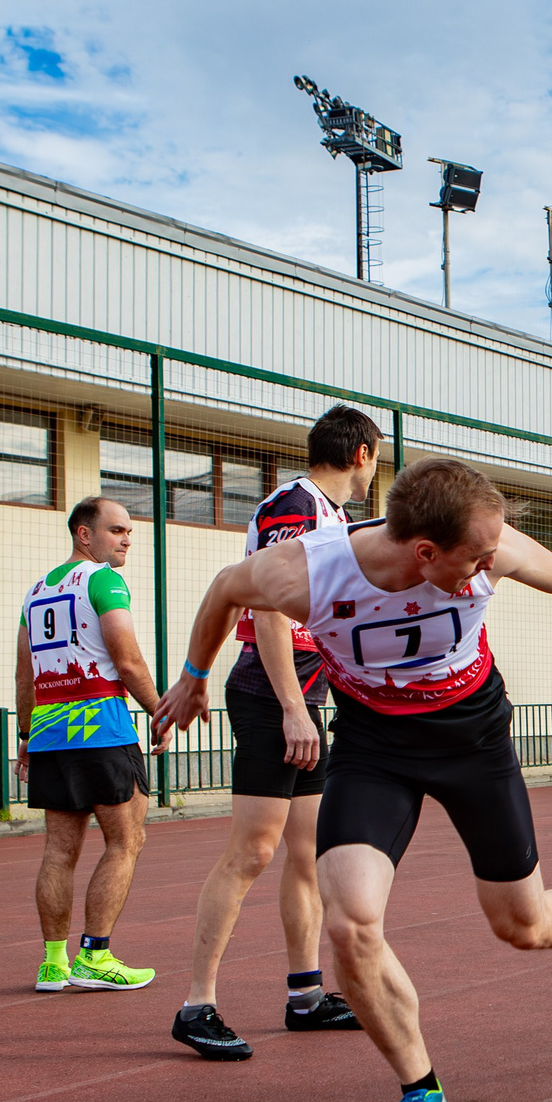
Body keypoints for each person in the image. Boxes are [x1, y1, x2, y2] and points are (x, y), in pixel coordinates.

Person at [156, 457, 552, 1102]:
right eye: (479, 559)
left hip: (473, 740)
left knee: (521, 925)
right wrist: (191, 677)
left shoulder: (492, 552)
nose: (492, 567)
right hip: (374, 746)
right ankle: (420, 1087)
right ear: (424, 552)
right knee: (349, 924)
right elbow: (225, 589)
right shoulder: (309, 570)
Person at [169, 405, 381, 1062]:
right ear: (363, 454)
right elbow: (261, 603)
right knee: (252, 851)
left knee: (306, 851)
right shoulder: (293, 504)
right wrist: (292, 706)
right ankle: (195, 1003)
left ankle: (305, 993)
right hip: (271, 692)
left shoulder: (334, 516)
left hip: (306, 694)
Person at [17, 497, 163, 993]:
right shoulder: (103, 580)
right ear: (85, 534)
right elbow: (128, 660)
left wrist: (24, 737)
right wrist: (160, 710)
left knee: (59, 851)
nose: (126, 539)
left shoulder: (36, 592)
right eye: (117, 530)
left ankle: (52, 964)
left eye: (129, 532)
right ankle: (95, 956)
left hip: (49, 731)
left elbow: (25, 673)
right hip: (101, 726)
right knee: (127, 840)